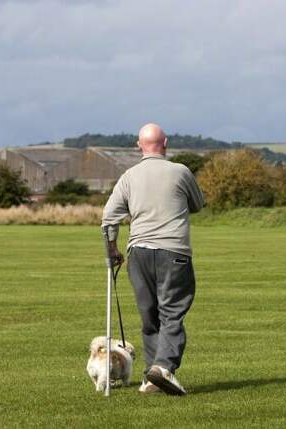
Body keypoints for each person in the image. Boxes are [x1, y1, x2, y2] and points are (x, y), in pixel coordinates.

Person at [101, 123, 204, 395]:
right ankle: (163, 368)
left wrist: (112, 249)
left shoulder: (128, 176)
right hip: (174, 252)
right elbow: (197, 204)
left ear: (139, 145)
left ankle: (152, 376)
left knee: (149, 316)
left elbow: (109, 216)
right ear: (166, 143)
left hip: (139, 253)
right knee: (172, 312)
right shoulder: (181, 172)